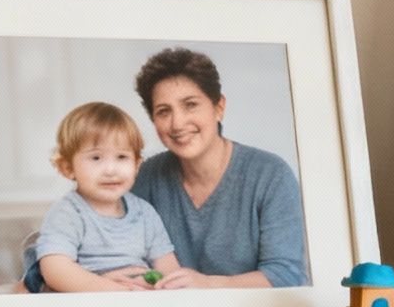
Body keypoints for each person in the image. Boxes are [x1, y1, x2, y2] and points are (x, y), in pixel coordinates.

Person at [129, 46, 309, 289]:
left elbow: (285, 276)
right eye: (163, 111)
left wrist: (208, 285)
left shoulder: (271, 175)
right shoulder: (146, 177)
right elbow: (120, 252)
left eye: (190, 105)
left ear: (218, 108)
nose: (177, 123)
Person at [32, 102, 182, 293]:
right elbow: (55, 270)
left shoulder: (144, 212)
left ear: (136, 165)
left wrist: (168, 290)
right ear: (68, 167)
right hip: (92, 303)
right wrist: (115, 291)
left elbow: (168, 268)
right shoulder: (68, 213)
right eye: (96, 158)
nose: (111, 170)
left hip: (142, 301)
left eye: (122, 157)